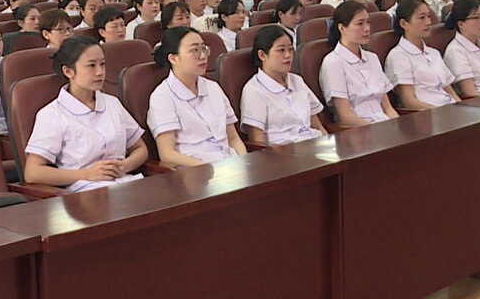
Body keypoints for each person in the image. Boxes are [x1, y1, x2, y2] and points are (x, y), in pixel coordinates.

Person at [23, 36, 148, 192]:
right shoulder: (52, 114)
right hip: (85, 193)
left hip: (125, 184)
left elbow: (140, 148)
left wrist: (124, 166)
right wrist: (86, 174)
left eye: (102, 64)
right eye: (91, 66)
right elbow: (33, 172)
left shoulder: (112, 103)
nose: (100, 72)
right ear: (68, 71)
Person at [147, 26, 246, 166]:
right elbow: (167, 154)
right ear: (173, 58)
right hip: (194, 171)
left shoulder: (213, 88)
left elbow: (233, 139)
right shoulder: (162, 97)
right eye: (195, 50)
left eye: (204, 49)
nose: (203, 56)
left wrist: (245, 164)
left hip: (230, 164)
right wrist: (208, 169)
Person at [240, 25, 326, 145]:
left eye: (290, 49)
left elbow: (318, 126)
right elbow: (258, 143)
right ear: (262, 55)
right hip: (284, 152)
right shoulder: (254, 90)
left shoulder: (297, 81)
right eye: (281, 50)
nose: (288, 55)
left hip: (314, 145)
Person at [319, 1, 397, 127]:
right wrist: (378, 130)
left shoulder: (372, 58)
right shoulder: (333, 62)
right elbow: (345, 117)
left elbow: (388, 108)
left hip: (383, 124)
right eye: (360, 24)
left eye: (368, 22)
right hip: (359, 130)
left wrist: (398, 126)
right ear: (341, 28)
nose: (367, 28)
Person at [385, 0, 460, 109]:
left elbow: (450, 92)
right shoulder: (398, 56)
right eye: (421, 18)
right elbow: (408, 101)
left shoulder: (434, 53)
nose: (428, 22)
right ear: (404, 23)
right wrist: (441, 113)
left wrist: (462, 108)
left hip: (450, 110)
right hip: (429, 114)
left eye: (428, 16)